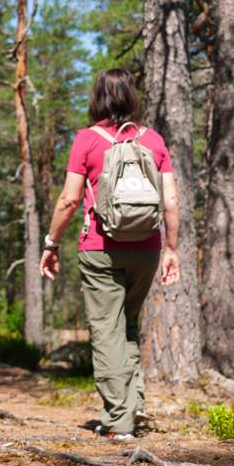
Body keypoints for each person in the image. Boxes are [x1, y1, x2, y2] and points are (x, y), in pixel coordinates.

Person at [41, 68, 181, 438]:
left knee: (106, 331)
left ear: (97, 98)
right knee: (129, 326)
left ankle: (118, 420)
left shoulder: (87, 139)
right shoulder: (153, 140)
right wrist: (172, 250)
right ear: (132, 98)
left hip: (100, 248)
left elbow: (70, 199)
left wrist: (51, 243)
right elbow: (170, 200)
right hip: (147, 248)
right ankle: (132, 406)